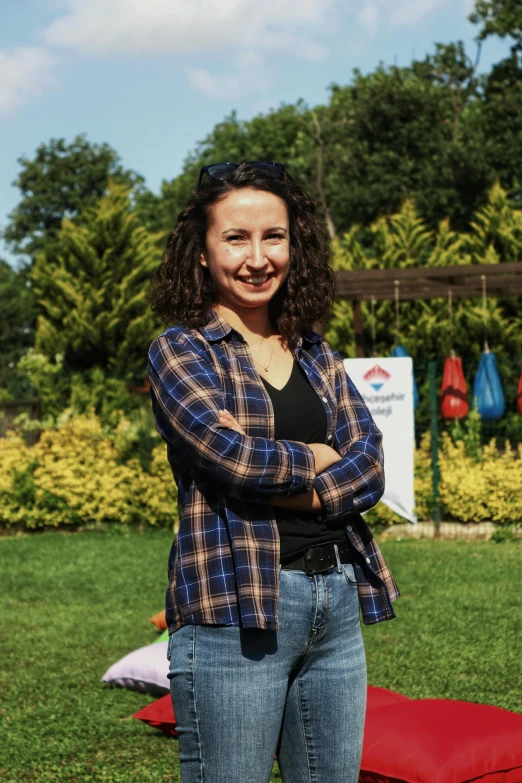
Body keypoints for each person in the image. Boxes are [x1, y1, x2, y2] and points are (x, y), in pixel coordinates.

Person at [147, 160, 400, 783]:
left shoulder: (316, 351)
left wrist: (300, 488)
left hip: (335, 596)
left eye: (274, 237)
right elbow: (233, 460)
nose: (257, 258)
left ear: (294, 245)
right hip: (236, 609)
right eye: (236, 238)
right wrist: (316, 458)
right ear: (202, 253)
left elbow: (370, 467)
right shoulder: (181, 350)